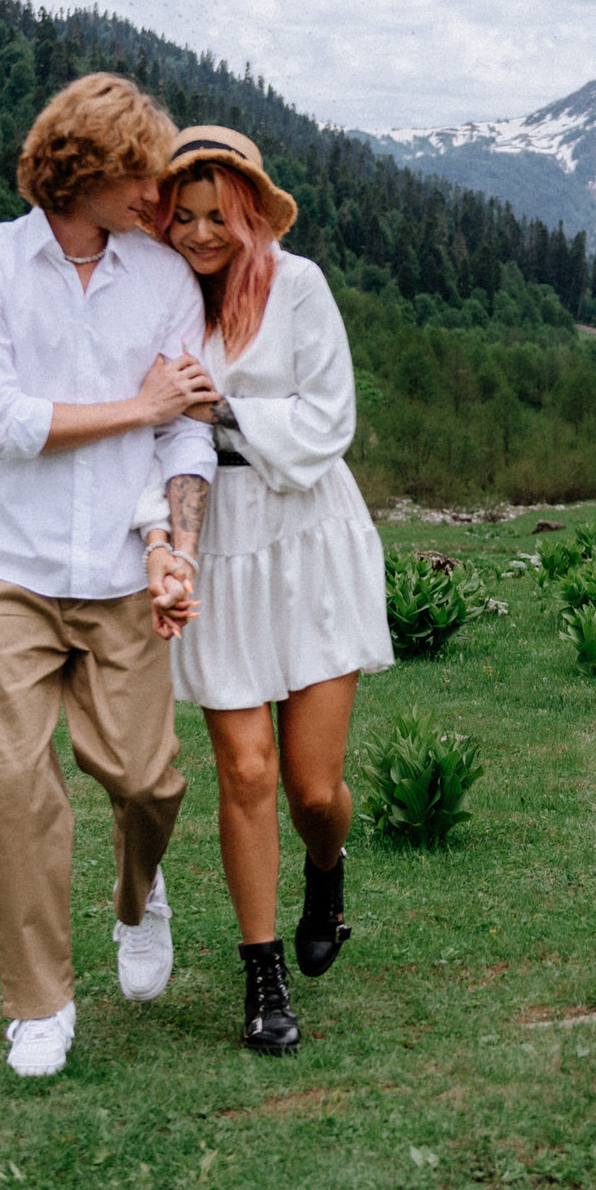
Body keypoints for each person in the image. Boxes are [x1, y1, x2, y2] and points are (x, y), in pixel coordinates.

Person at [0, 73, 218, 1079]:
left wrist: (176, 541)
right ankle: (39, 1004)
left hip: (122, 570)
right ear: (83, 169)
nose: (157, 196)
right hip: (9, 568)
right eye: (139, 174)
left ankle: (140, 896)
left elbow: (186, 423)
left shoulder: (163, 279)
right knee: (13, 782)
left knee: (146, 780)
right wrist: (135, 408)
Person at [134, 124, 393, 1054]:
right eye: (184, 215)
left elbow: (331, 419)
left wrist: (225, 407)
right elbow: (145, 428)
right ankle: (263, 976)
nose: (202, 233)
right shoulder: (158, 303)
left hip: (311, 532)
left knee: (310, 785)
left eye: (219, 215)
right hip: (222, 538)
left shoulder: (301, 286)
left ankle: (327, 864)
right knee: (243, 770)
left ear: (250, 211)